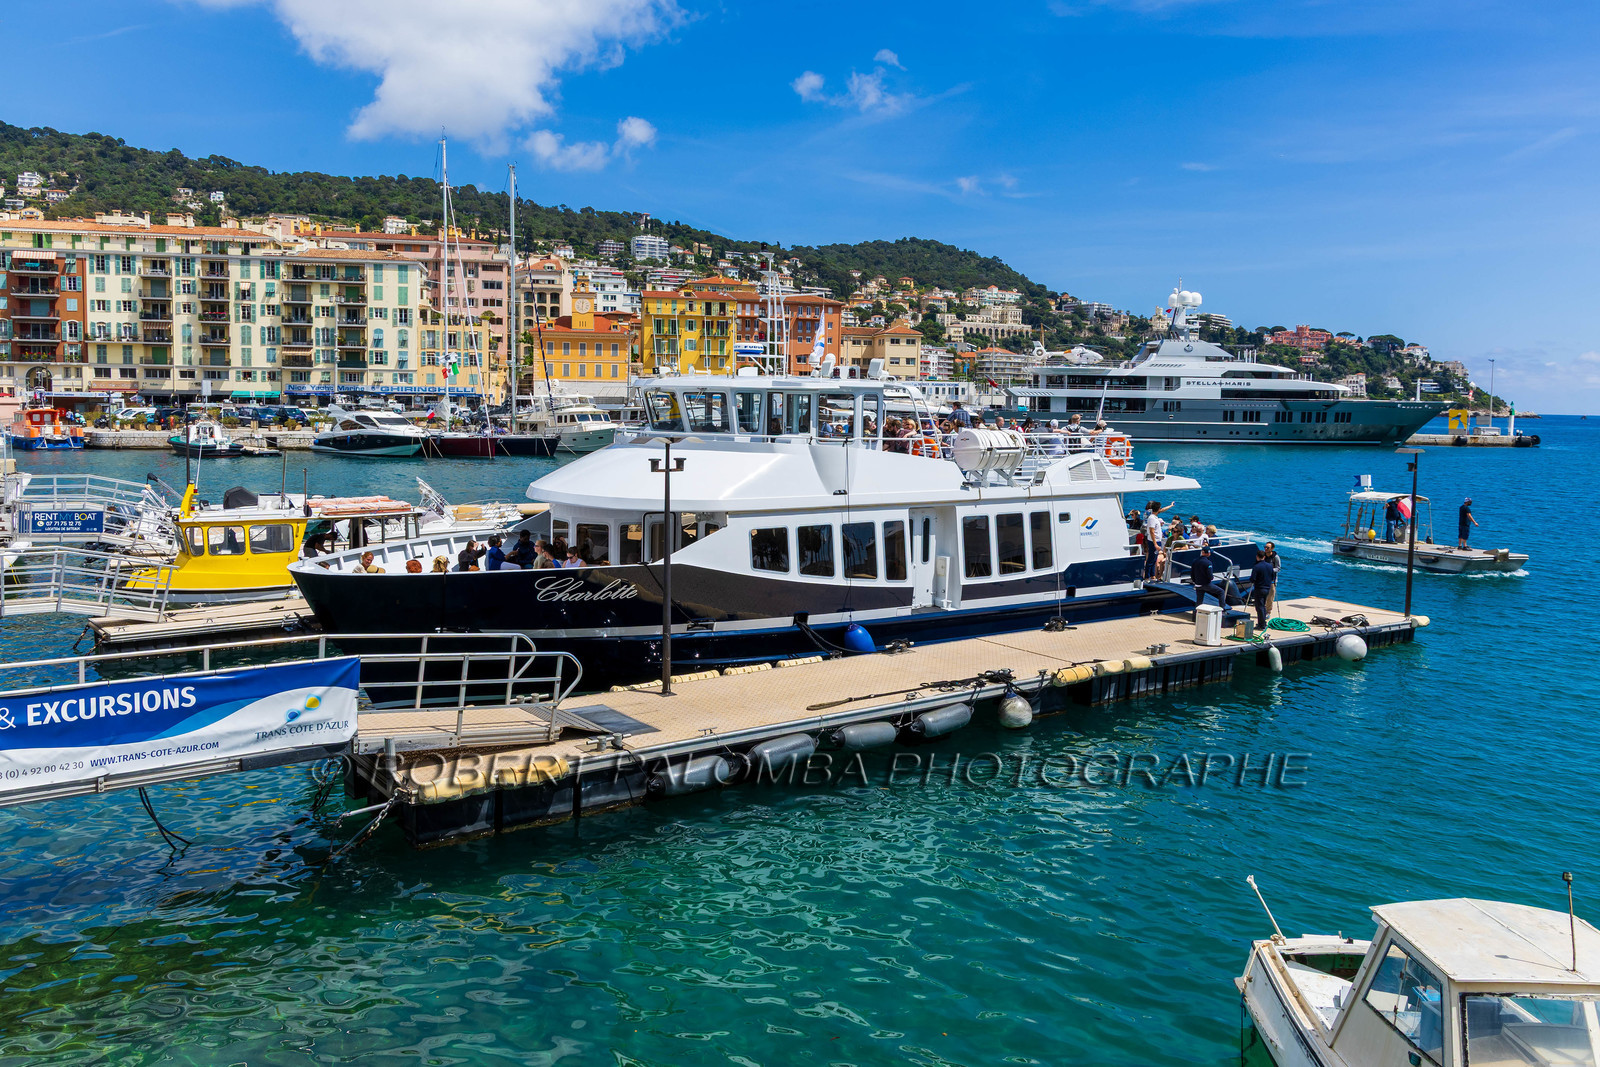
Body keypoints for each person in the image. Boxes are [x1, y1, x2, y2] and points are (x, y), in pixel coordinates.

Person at [1249, 549, 1276, 628]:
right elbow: (1272, 577)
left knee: (1259, 606)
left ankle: (1261, 624)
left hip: (1259, 588)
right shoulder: (1269, 566)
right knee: (1263, 605)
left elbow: (1252, 579)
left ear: (1257, 557)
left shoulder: (1256, 567)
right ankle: (1263, 622)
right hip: (1267, 588)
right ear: (1264, 557)